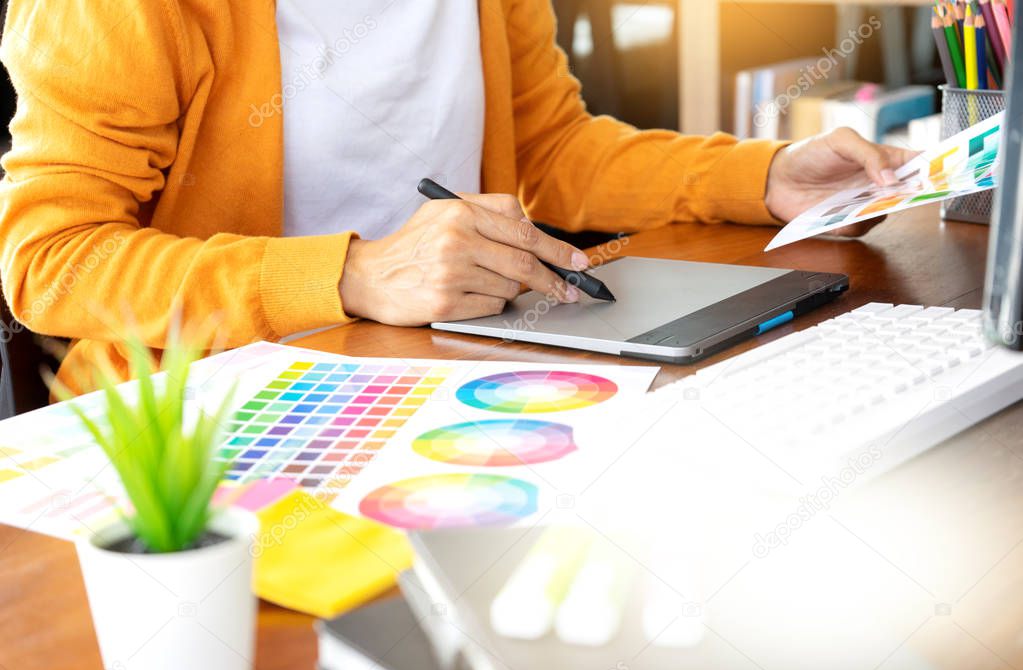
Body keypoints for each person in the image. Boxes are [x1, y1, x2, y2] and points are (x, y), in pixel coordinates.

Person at [0, 1, 914, 392]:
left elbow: (548, 150)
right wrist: (353, 275)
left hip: (444, 373)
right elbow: (49, 258)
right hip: (201, 413)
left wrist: (756, 176)